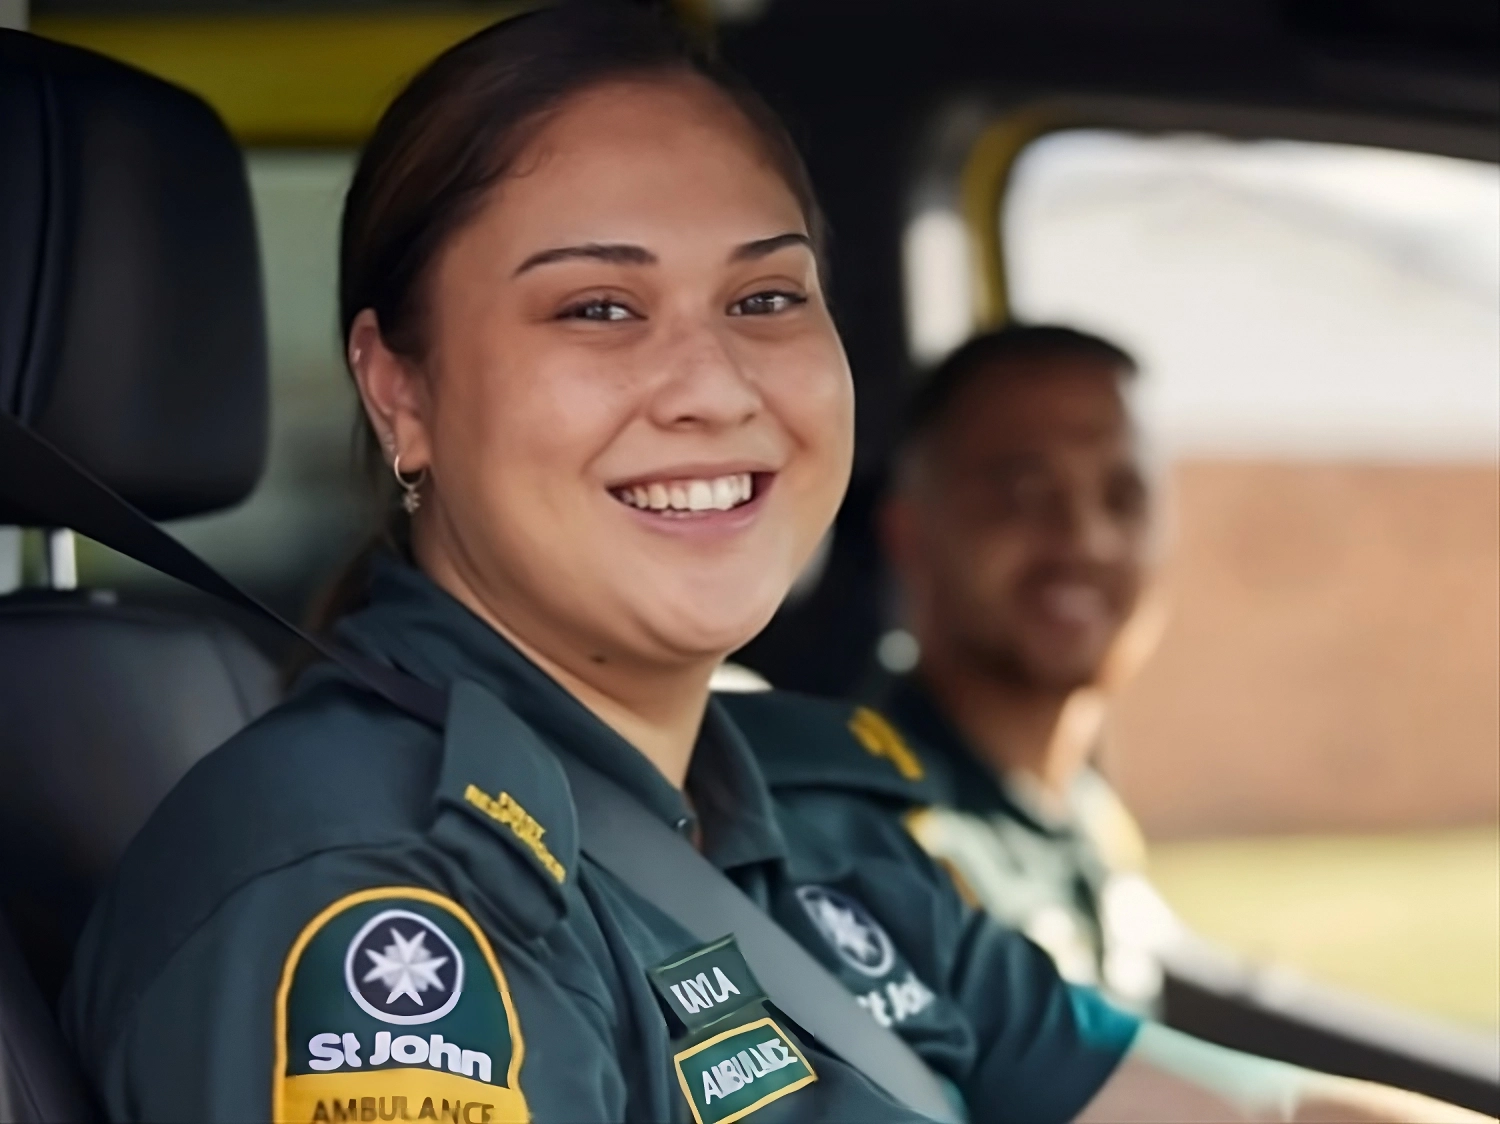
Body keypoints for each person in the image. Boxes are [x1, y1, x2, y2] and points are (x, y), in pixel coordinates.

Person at [61, 7, 1481, 1123]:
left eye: (764, 296)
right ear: (401, 392)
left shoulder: (809, 824)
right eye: (600, 306)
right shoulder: (372, 902)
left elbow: (1253, 1109)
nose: (714, 386)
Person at [875, 325, 1175, 1011]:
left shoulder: (1090, 815)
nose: (1085, 539)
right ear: (910, 534)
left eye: (1124, 497)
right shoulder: (881, 846)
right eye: (1024, 495)